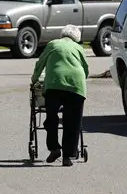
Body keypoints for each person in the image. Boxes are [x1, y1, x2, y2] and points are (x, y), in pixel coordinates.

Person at [30, 25, 89, 166]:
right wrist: (79, 81)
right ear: (77, 38)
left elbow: (40, 63)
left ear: (62, 35)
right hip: (76, 86)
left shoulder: (53, 44)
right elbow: (85, 69)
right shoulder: (79, 48)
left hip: (54, 85)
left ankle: (55, 148)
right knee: (72, 122)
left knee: (51, 118)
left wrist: (34, 80)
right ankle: (68, 157)